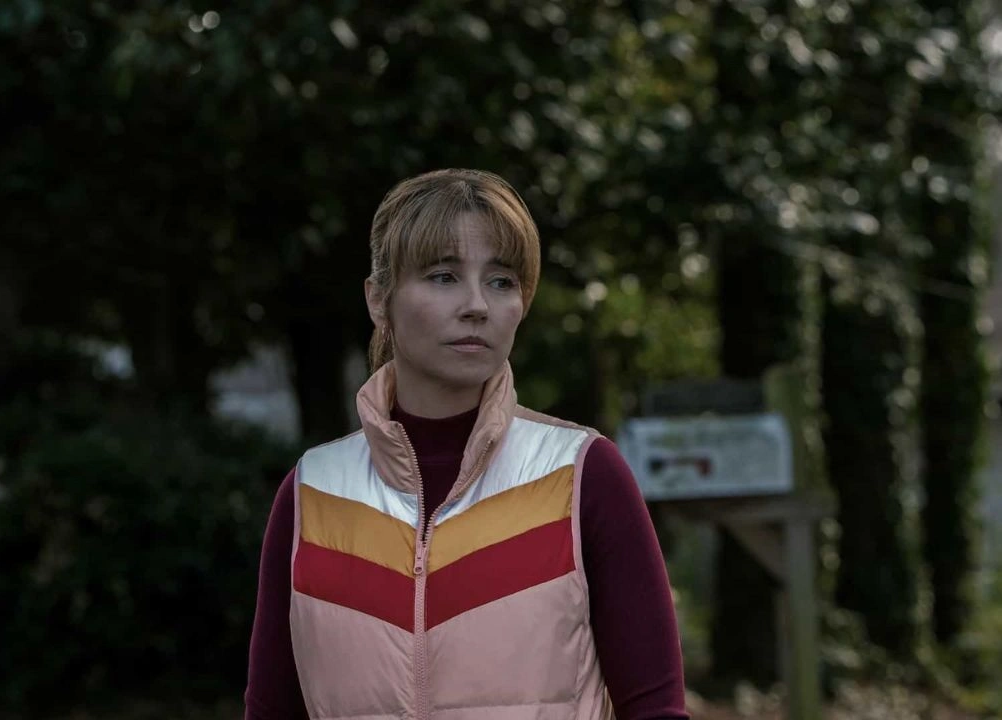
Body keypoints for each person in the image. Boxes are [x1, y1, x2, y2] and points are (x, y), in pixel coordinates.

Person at [244, 168, 688, 720]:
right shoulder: (314, 493)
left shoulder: (581, 476)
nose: (477, 304)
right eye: (443, 276)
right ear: (378, 301)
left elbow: (657, 709)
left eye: (501, 281)